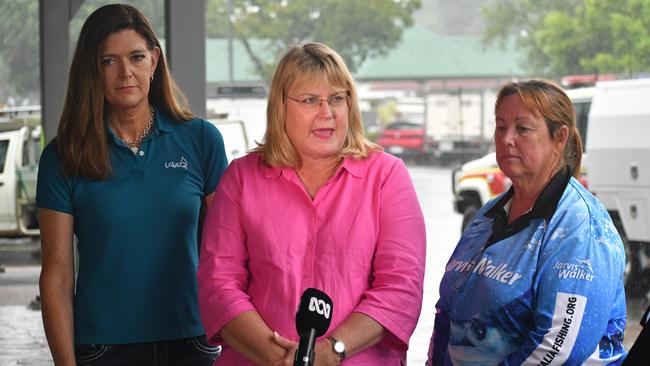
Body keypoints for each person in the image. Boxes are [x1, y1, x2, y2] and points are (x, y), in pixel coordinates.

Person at [197, 43, 426, 365]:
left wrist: (334, 349)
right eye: (310, 100)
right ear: (281, 106)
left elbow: (402, 287)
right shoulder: (241, 178)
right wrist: (278, 357)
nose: (328, 113)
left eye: (337, 98)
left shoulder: (386, 176)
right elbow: (217, 284)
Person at [36, 4, 227, 365]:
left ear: (154, 61)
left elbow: (229, 256)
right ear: (92, 70)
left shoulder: (202, 140)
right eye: (109, 60)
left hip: (193, 342)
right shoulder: (63, 156)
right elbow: (57, 277)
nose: (126, 72)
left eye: (137, 57)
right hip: (103, 349)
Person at [427, 80, 627, 365]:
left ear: (559, 138)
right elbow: (447, 309)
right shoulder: (487, 215)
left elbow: (559, 348)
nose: (507, 138)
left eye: (522, 129)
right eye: (500, 127)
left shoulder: (580, 228)